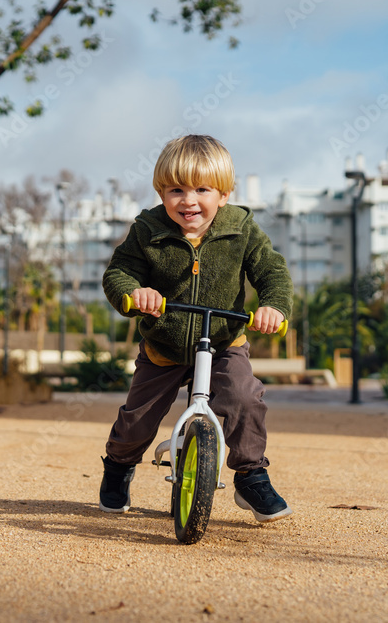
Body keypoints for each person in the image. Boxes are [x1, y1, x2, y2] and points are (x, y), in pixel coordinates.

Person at [99, 134, 294, 522]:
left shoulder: (241, 229)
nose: (188, 200)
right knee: (139, 419)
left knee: (243, 398)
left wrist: (273, 305)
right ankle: (119, 466)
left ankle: (251, 475)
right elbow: (119, 272)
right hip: (164, 345)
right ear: (161, 192)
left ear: (223, 194)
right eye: (176, 190)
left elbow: (272, 270)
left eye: (202, 189)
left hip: (223, 341)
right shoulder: (148, 230)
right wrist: (136, 293)